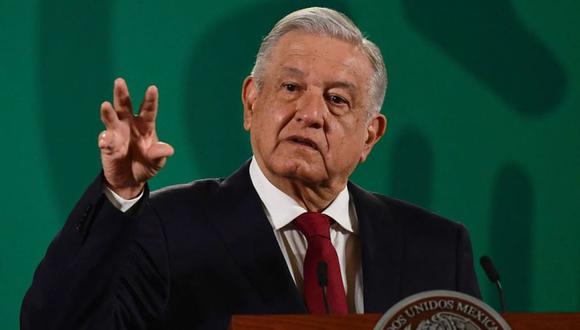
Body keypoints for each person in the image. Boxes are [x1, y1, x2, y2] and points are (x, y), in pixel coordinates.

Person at [21, 7, 480, 330]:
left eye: (337, 99)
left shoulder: (436, 249)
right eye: (290, 87)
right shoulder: (165, 228)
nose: (310, 113)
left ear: (370, 136)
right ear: (251, 103)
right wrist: (117, 191)